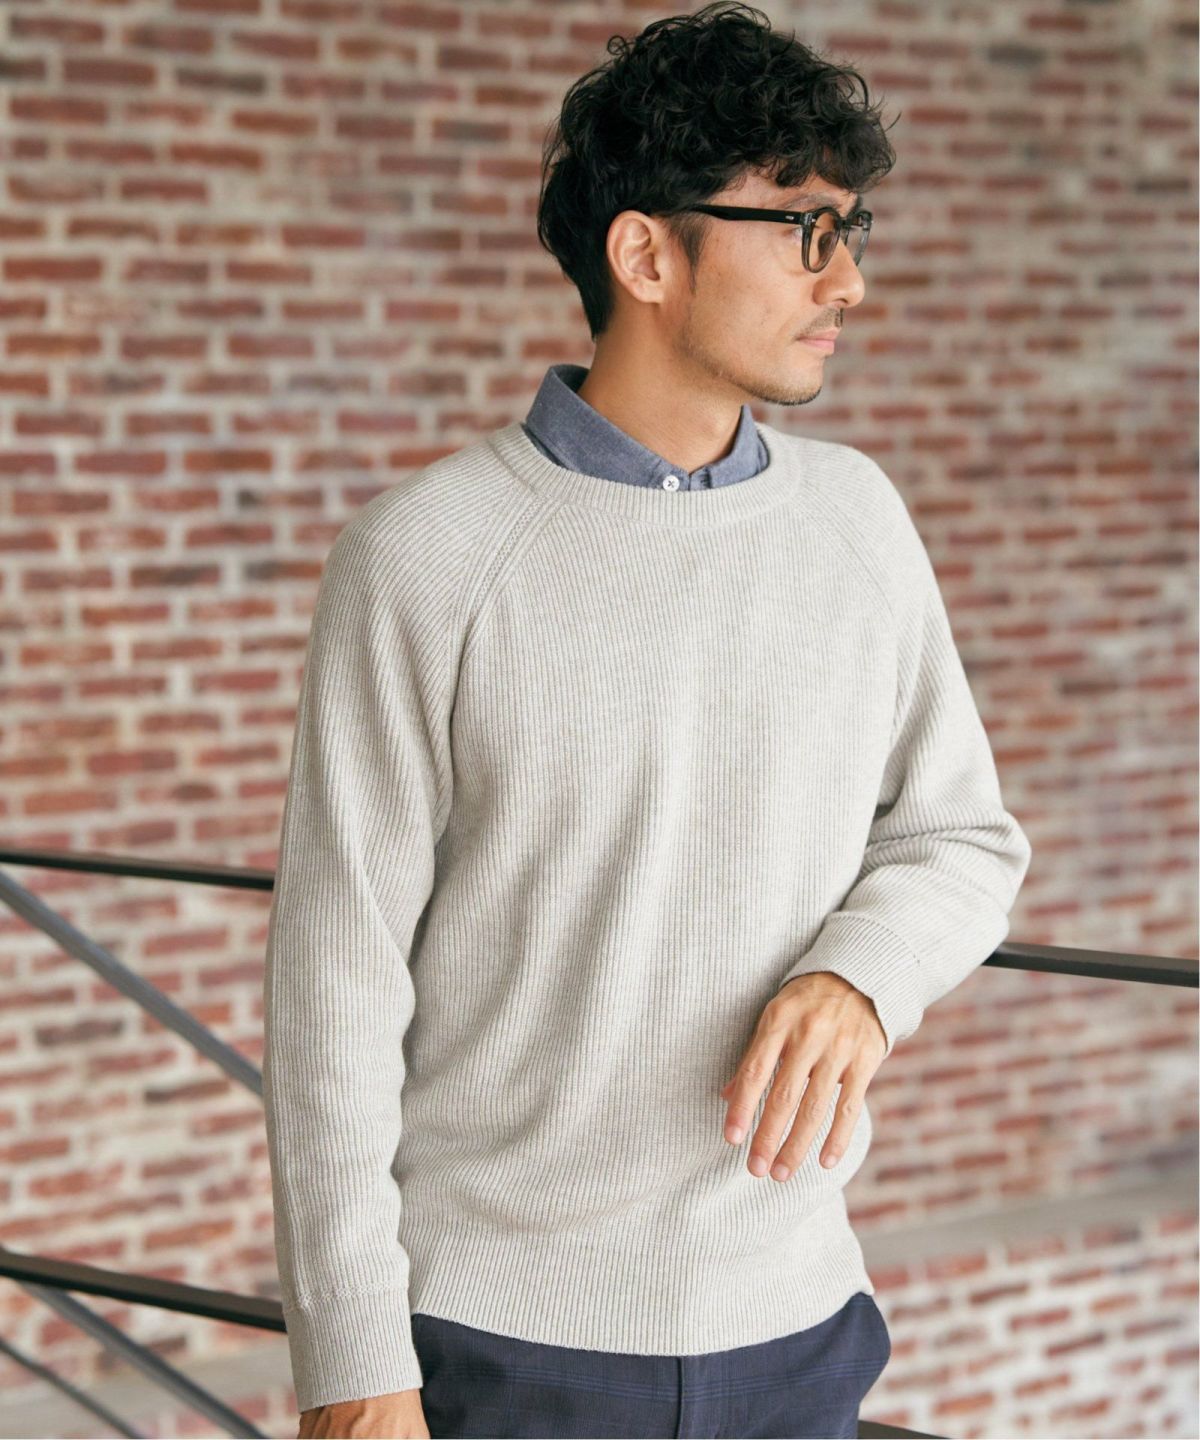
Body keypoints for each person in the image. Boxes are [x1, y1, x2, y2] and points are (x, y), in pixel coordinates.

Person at [262, 4, 1033, 1437]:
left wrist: (861, 977)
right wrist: (353, 1364)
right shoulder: (422, 557)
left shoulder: (857, 519)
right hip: (501, 1345)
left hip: (797, 1328)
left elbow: (962, 836)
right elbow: (335, 995)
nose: (850, 280)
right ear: (648, 255)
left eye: (852, 228)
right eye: (805, 231)